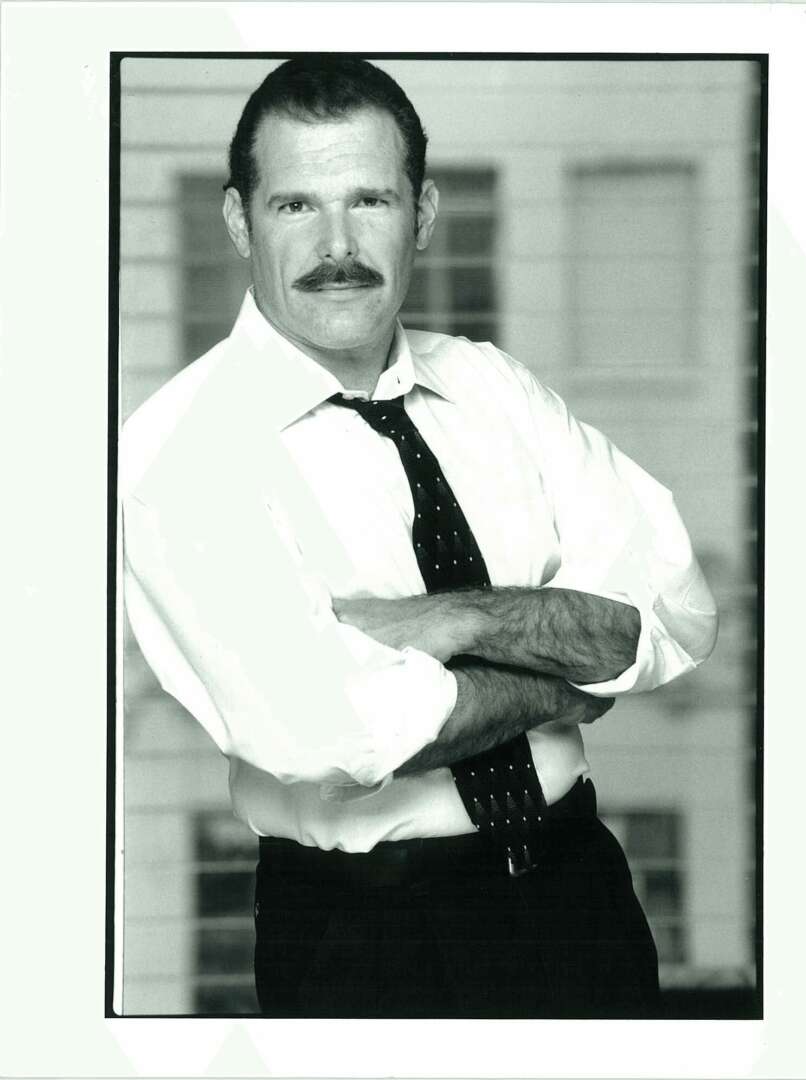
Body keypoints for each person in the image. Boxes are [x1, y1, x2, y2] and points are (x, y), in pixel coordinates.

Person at [121, 56, 719, 1019]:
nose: (337, 246)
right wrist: (570, 679)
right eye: (295, 206)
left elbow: (673, 613)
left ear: (423, 214)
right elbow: (331, 734)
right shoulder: (181, 451)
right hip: (368, 938)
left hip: (578, 895)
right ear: (238, 220)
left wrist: (446, 622)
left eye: (370, 200)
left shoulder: (495, 389)